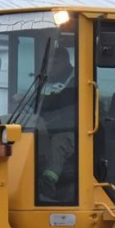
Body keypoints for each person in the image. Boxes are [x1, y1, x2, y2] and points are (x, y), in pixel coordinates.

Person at [37, 46, 78, 201]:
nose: (52, 66)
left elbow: (63, 102)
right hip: (49, 129)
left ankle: (47, 182)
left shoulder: (77, 81)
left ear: (67, 62)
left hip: (74, 131)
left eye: (56, 62)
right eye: (49, 63)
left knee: (59, 143)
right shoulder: (45, 81)